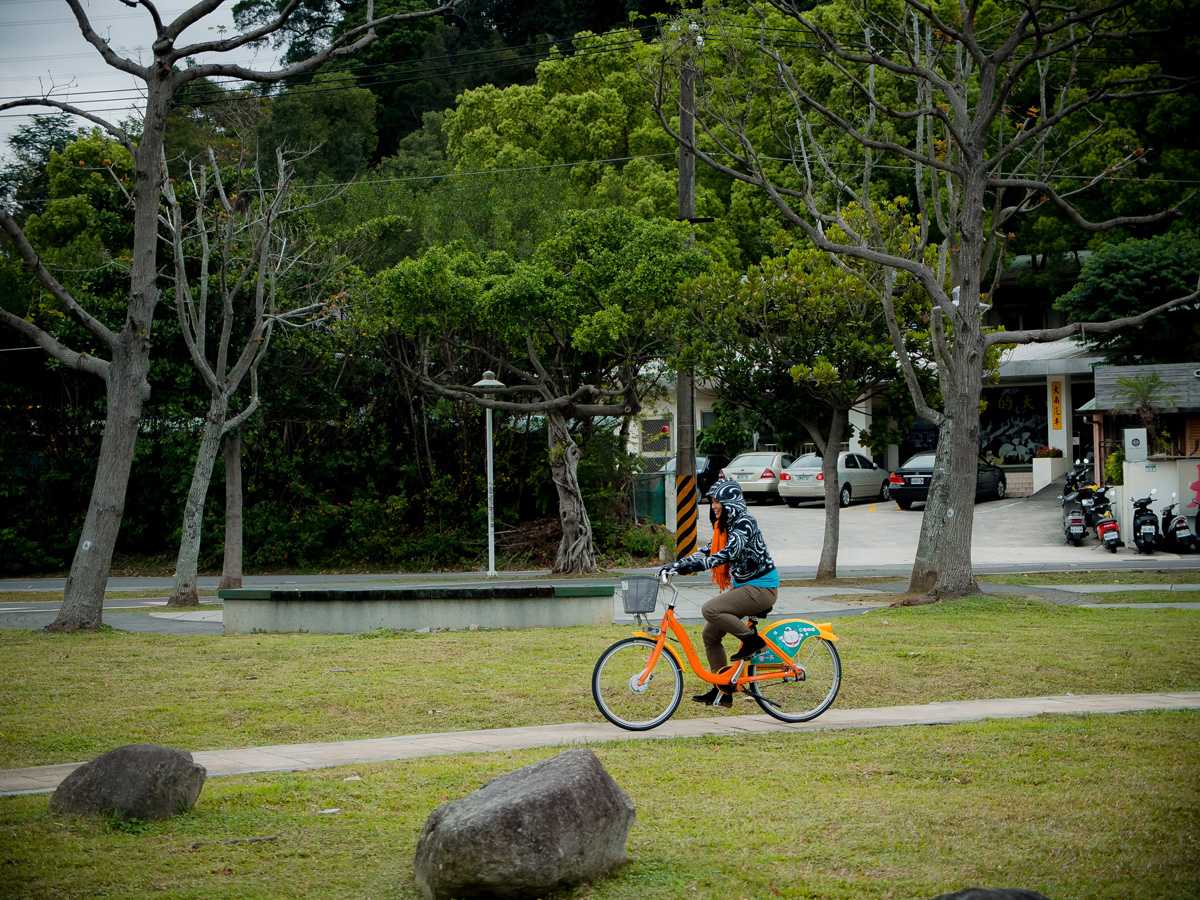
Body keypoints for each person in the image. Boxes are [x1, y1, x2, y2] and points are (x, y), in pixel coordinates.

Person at [659, 478, 779, 708]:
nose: (714, 506)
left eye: (719, 502)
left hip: (762, 588)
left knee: (710, 609)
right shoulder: (724, 527)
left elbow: (727, 553)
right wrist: (677, 565)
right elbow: (707, 550)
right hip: (745, 587)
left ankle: (753, 642)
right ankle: (722, 691)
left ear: (731, 503)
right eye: (713, 501)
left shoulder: (745, 523)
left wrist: (696, 566)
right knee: (710, 636)